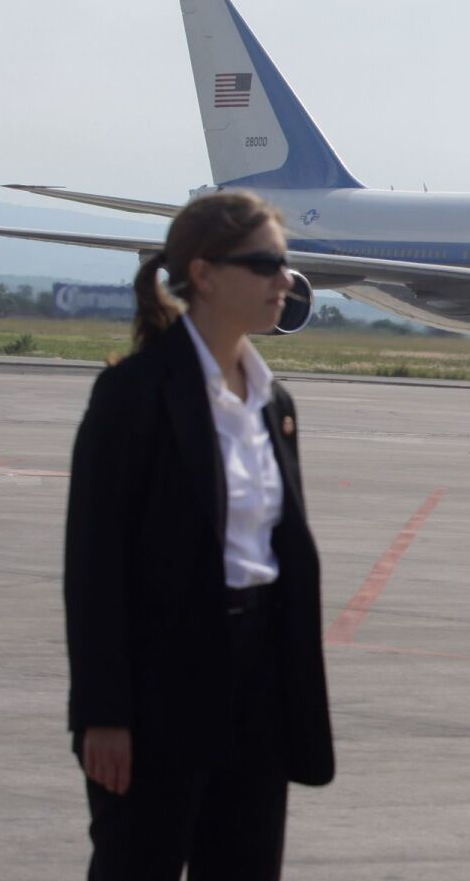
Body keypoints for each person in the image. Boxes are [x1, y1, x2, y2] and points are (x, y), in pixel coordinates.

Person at [64, 191, 333, 880]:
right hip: (160, 691)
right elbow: (94, 567)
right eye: (267, 263)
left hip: (259, 686)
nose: (286, 280)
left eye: (287, 263)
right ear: (205, 274)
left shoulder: (274, 402)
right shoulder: (136, 395)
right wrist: (104, 714)